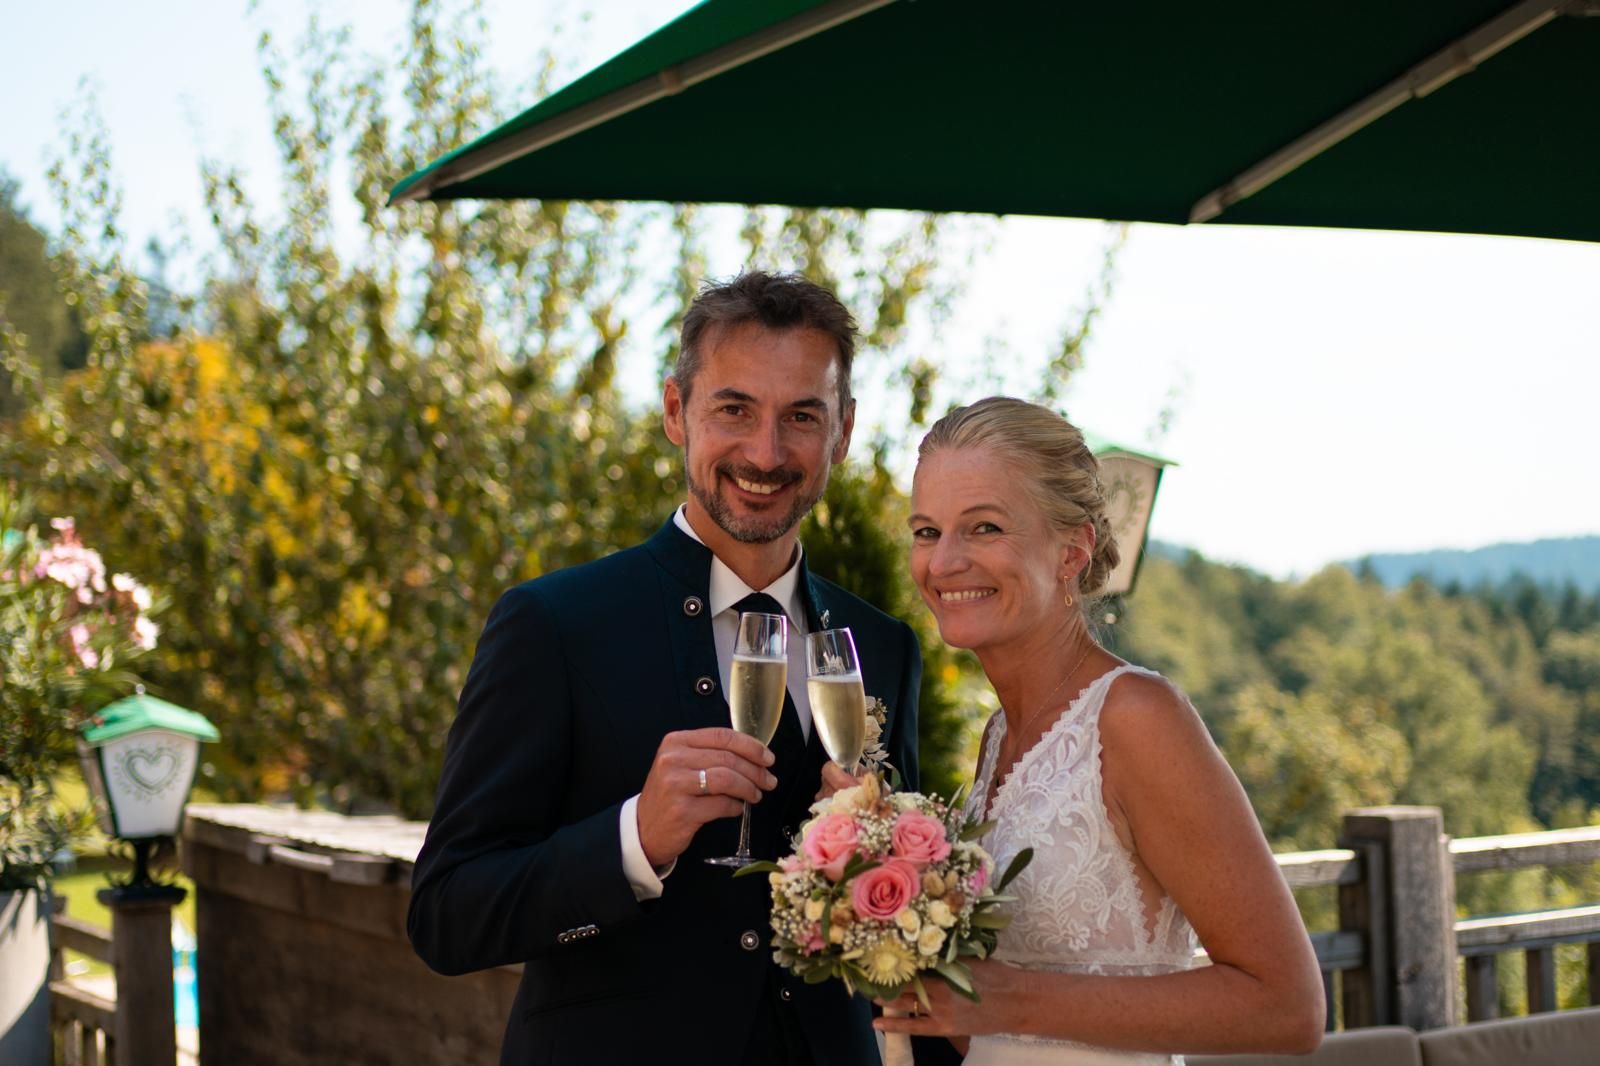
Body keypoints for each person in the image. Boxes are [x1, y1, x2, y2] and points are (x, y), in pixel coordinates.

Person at [406, 271, 921, 1065]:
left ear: (843, 432)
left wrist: (880, 866)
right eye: (735, 409)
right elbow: (447, 914)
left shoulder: (883, 644)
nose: (767, 452)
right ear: (677, 413)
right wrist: (631, 841)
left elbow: (897, 932)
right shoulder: (554, 625)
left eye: (802, 417)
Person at [873, 396, 1325, 1064]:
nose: (943, 564)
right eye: (927, 531)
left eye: (985, 528)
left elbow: (1288, 1006)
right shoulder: (999, 737)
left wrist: (1010, 999)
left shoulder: (1137, 719)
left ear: (1071, 549)